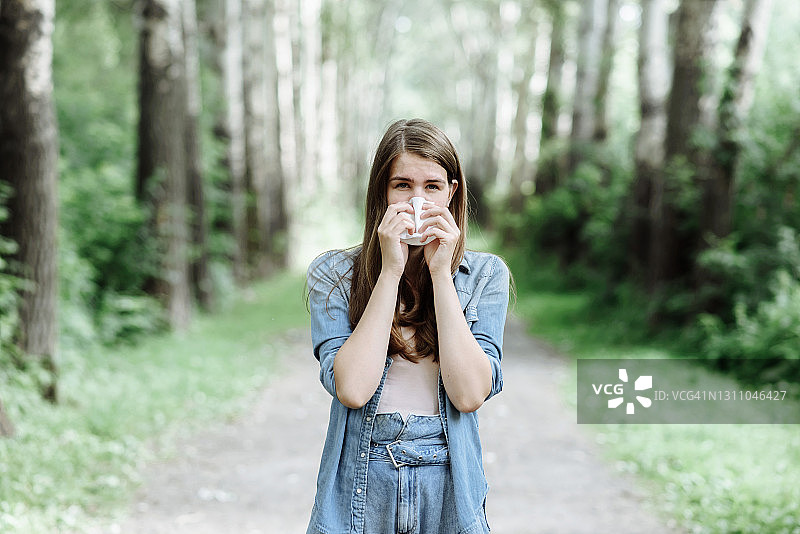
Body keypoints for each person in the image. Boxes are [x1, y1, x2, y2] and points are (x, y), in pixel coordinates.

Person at [306, 118, 510, 534]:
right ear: (382, 191)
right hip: (361, 480)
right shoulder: (333, 273)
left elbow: (470, 394)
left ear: (452, 193)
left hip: (449, 483)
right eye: (402, 185)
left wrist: (439, 273)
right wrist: (390, 270)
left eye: (432, 187)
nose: (417, 200)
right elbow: (352, 389)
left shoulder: (486, 275)